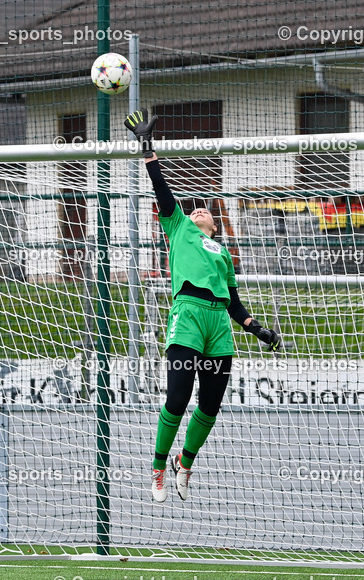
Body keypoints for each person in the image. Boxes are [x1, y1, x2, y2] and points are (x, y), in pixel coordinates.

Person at [124, 109, 282, 502]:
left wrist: (256, 328)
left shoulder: (223, 252)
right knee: (178, 398)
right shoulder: (177, 228)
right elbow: (162, 190)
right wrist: (147, 146)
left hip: (218, 325)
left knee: (209, 406)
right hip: (189, 315)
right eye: (194, 209)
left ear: (215, 226)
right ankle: (158, 467)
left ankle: (185, 462)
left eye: (205, 212)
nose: (198, 210)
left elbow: (233, 300)